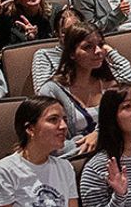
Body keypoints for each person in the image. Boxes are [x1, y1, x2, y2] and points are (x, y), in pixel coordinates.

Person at [36, 22, 112, 156]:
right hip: (72, 160)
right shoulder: (52, 91)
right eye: (88, 47)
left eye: (100, 45)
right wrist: (87, 142)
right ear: (71, 54)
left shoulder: (109, 83)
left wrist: (98, 135)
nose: (98, 51)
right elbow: (51, 145)